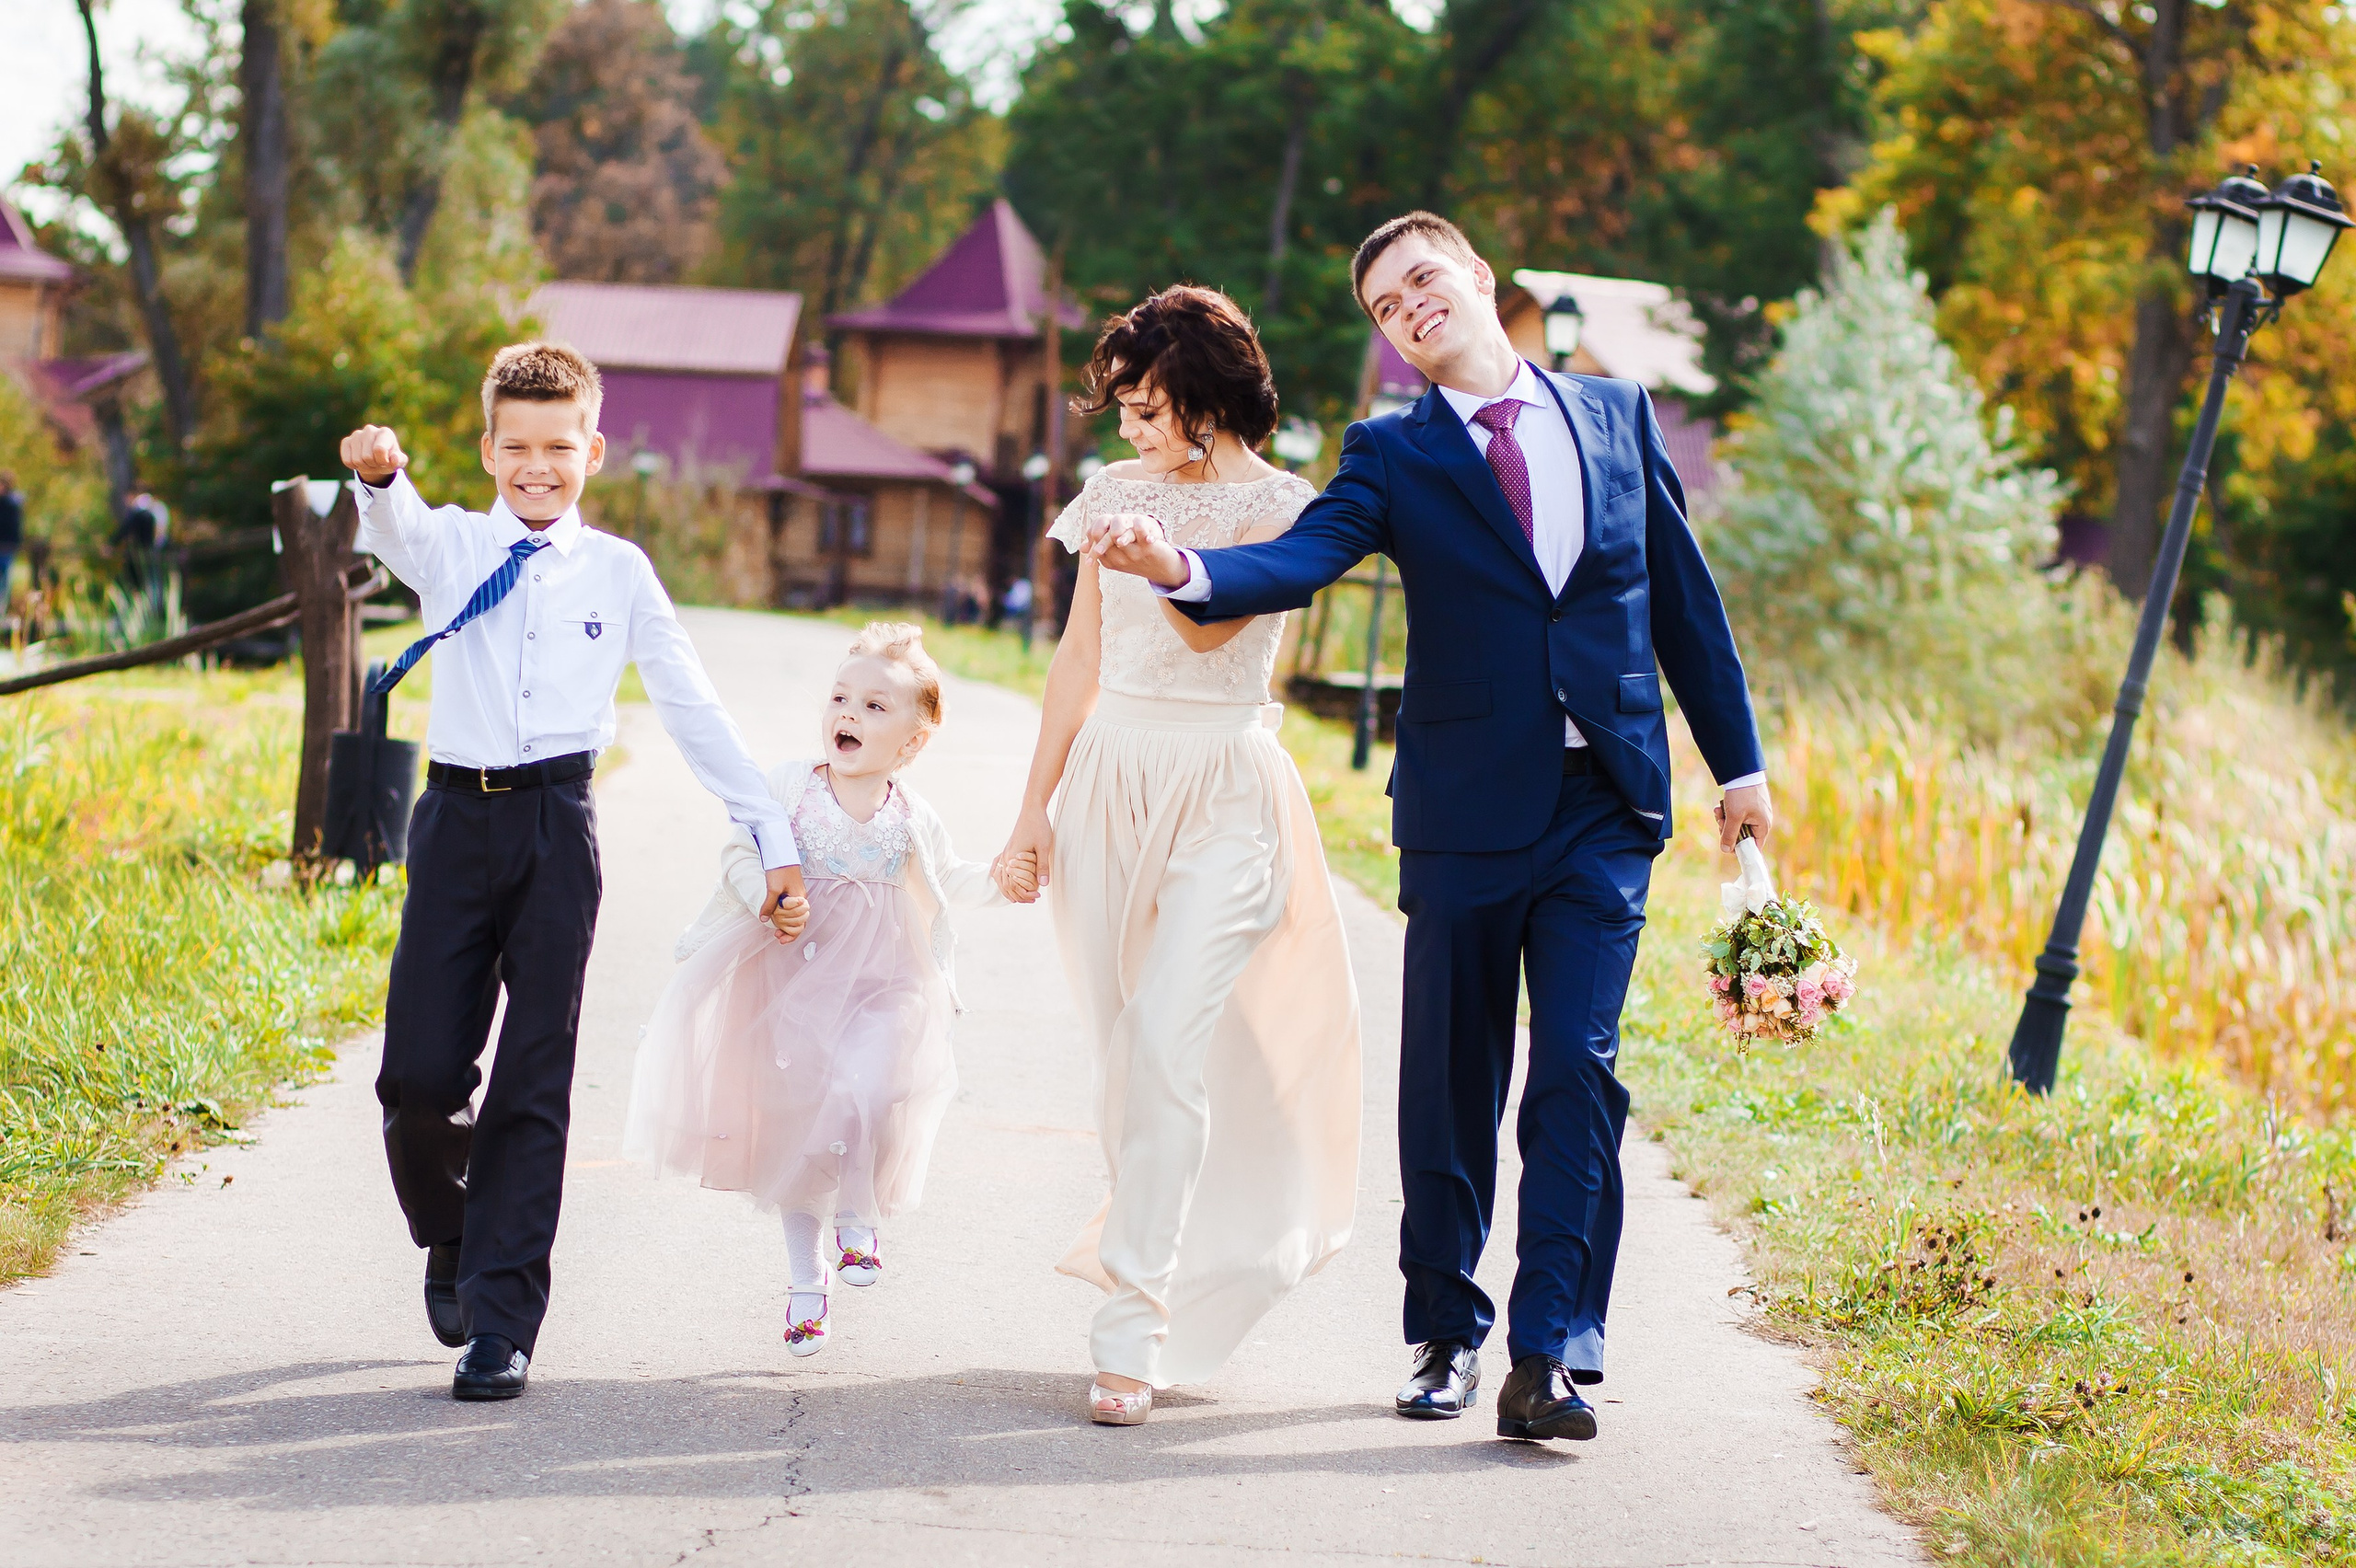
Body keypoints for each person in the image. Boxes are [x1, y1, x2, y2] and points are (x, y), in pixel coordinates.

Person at [1087, 214, 1773, 1444]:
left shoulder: (1615, 417)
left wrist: (1742, 766)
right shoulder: (1392, 453)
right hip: (1464, 810)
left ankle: (1550, 1355)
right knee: (1454, 1076)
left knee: (1577, 1071)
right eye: (1387, 308)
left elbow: (1683, 601)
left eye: (1422, 281)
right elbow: (1304, 558)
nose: (1410, 309)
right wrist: (1181, 570)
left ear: (1478, 278)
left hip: (1605, 803)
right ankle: (1445, 1334)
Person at [338, 341, 811, 1402]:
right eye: (517, 447)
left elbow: (691, 708)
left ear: (592, 452)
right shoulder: (455, 545)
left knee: (534, 1078)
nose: (537, 467)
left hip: (557, 826)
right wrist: (379, 474)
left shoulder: (620, 573)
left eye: (559, 447)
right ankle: (452, 1228)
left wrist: (771, 837)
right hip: (454, 822)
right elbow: (399, 527)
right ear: (487, 450)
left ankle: (502, 1324)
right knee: (419, 1077)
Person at [994, 285, 1361, 1427]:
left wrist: (1161, 560)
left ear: (1207, 404)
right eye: (1122, 409)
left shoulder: (1282, 506)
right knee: (1121, 1056)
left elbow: (1214, 632)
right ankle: (1155, 1261)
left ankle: (1131, 1329)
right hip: (1110, 777)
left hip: (1225, 787)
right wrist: (1032, 812)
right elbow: (1077, 661)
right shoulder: (1111, 492)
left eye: (1148, 409)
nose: (1130, 429)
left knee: (1162, 1044)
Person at [626, 623, 1033, 1356]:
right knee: (797, 1132)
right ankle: (806, 1280)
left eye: (876, 706)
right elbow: (740, 851)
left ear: (913, 741)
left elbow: (952, 879)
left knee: (865, 1088)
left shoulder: (911, 816)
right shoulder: (791, 786)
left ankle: (858, 1213)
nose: (849, 713)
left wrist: (1004, 880)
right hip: (794, 984)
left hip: (885, 986)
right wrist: (768, 898)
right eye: (842, 698)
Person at [0, 471, 22, 603]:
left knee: (5, 580)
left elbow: (14, 526)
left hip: (7, 546)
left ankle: (2, 607)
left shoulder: (12, 504)